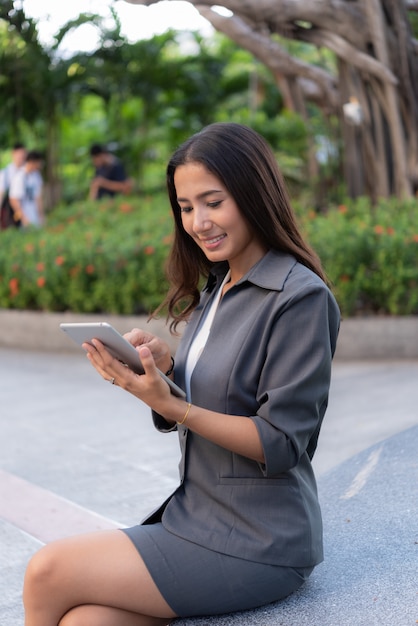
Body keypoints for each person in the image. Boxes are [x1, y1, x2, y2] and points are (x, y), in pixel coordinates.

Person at [23, 123, 340, 626]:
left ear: (255, 194)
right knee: (86, 622)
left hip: (259, 540)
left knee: (46, 571)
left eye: (214, 202)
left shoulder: (299, 297)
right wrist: (163, 370)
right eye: (186, 207)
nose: (198, 222)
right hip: (197, 516)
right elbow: (215, 397)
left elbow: (281, 442)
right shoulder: (221, 284)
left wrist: (171, 404)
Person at [9, 150, 44, 227]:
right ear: (32, 162)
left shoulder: (36, 176)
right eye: (38, 163)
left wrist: (41, 215)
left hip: (34, 215)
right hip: (24, 218)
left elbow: (38, 197)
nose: (40, 165)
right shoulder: (19, 177)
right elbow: (13, 200)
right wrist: (23, 218)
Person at [0, 142, 26, 229]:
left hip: (25, 210)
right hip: (10, 212)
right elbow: (1, 194)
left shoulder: (28, 172)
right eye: (19, 155)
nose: (21, 157)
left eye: (23, 155)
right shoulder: (5, 173)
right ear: (13, 154)